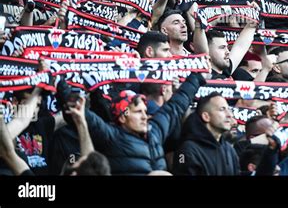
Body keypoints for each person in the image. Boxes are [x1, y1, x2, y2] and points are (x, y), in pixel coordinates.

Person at [56, 72, 207, 175]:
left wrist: (197, 77)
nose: (144, 117)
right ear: (122, 117)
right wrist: (57, 79)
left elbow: (175, 106)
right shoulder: (112, 136)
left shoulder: (154, 131)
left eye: (145, 111)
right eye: (137, 112)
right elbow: (78, 108)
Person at [173, 92, 240, 175]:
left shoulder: (229, 149)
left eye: (229, 109)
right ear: (206, 116)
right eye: (222, 109)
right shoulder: (187, 150)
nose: (230, 115)